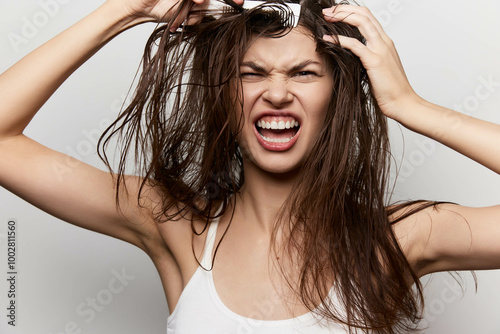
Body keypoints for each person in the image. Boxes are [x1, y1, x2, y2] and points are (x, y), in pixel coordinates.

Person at [0, 0, 499, 333]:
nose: (277, 92)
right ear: (225, 96)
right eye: (251, 73)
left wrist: (412, 107)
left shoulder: (397, 239)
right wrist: (127, 10)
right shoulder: (176, 226)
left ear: (337, 97)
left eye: (304, 73)